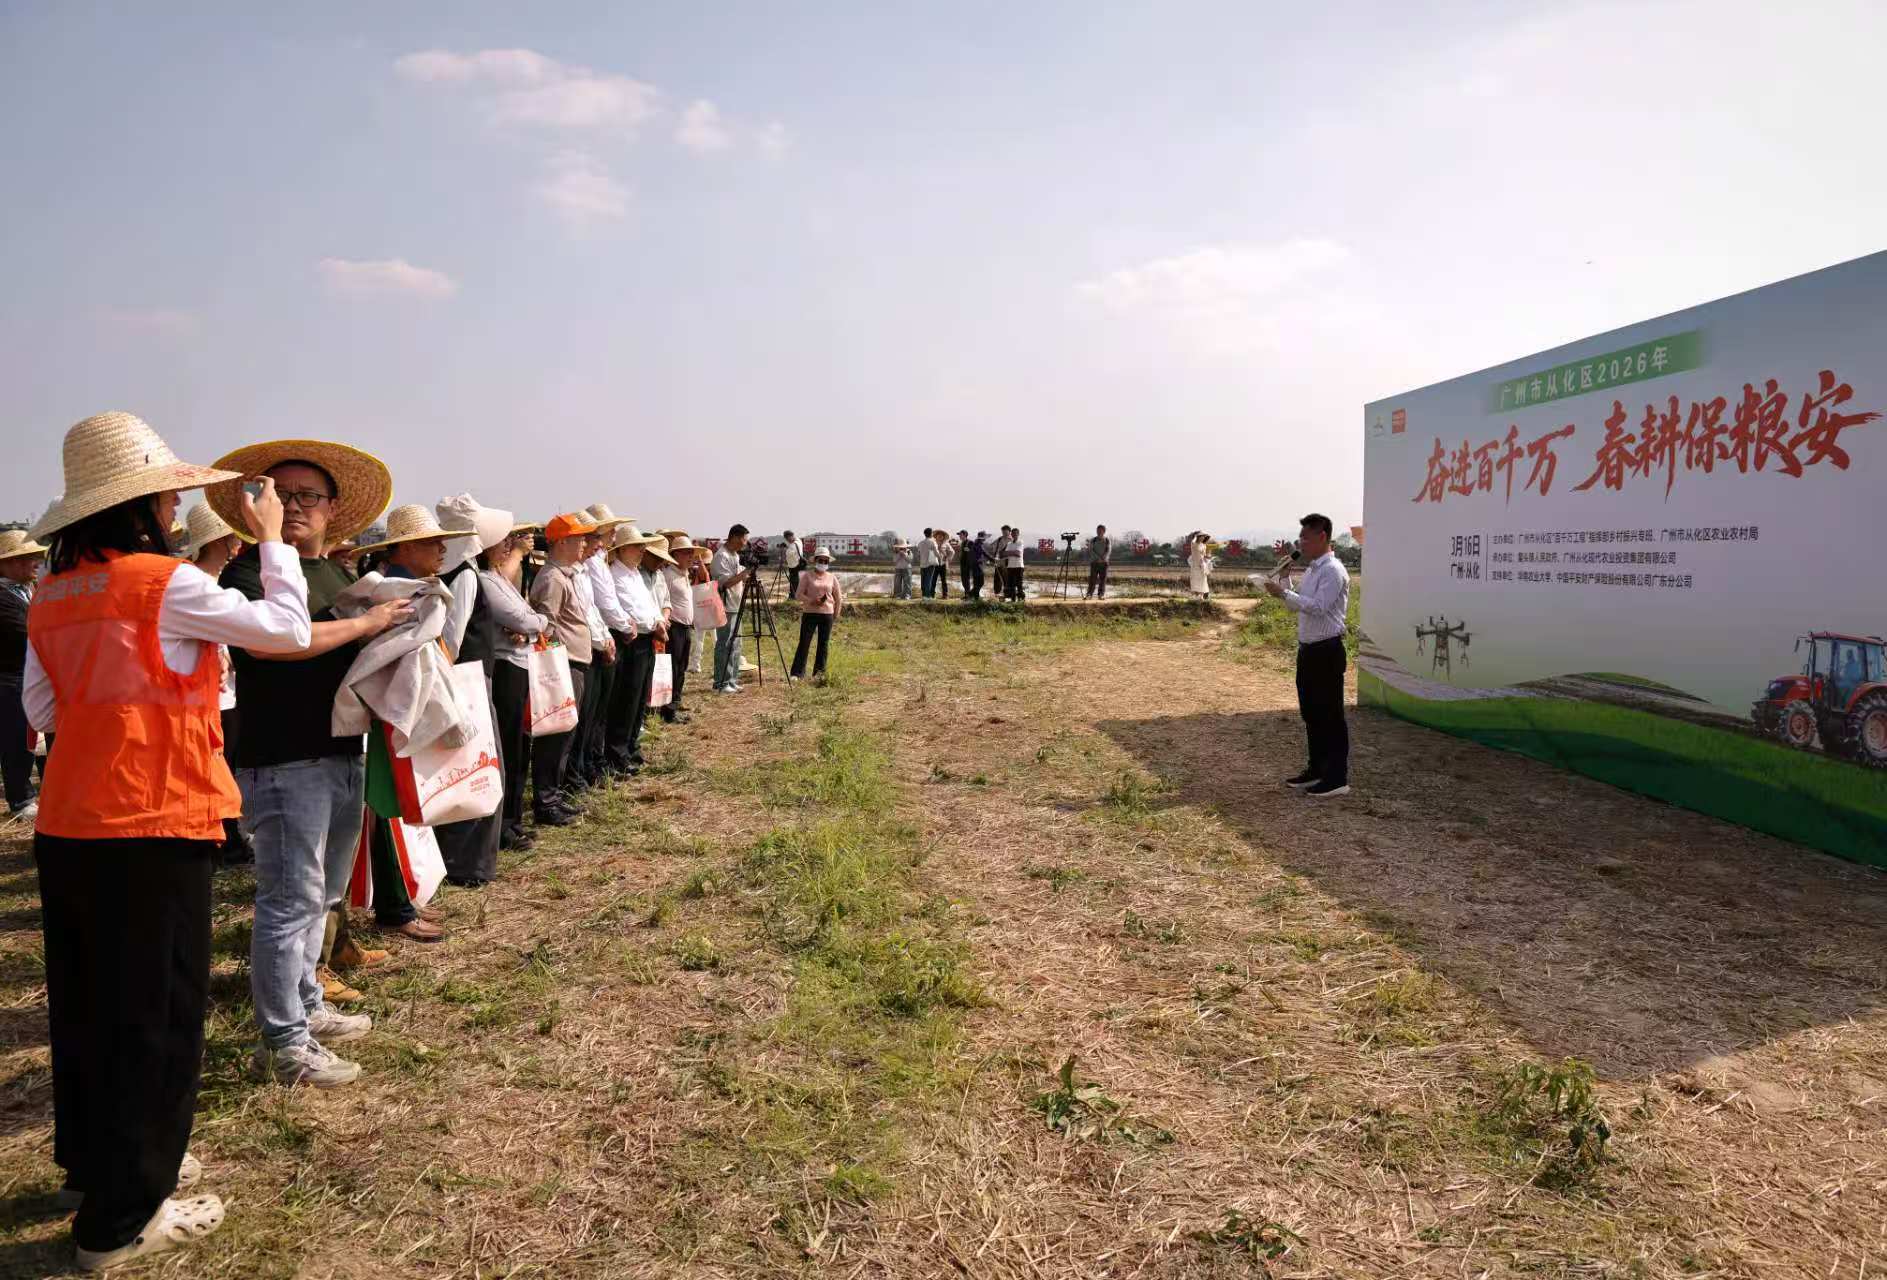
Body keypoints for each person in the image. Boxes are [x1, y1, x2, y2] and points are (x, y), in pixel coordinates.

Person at [22, 412, 314, 1269]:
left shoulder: (54, 592)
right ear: (143, 505)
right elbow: (288, 632)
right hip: (154, 819)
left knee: (90, 1007)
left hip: (70, 822)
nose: (176, 507)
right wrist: (273, 541)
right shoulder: (162, 583)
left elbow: (42, 709)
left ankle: (96, 1166)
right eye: (167, 496)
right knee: (157, 1016)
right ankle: (125, 1216)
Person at [204, 437, 403, 1089]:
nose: (292, 506)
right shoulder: (248, 573)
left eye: (306, 496)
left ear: (332, 508)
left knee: (322, 896)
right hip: (284, 759)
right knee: (289, 901)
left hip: (343, 753)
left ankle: (308, 1005)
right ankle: (283, 1042)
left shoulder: (341, 579)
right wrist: (367, 626)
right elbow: (273, 647)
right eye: (277, 493)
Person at [431, 494, 515, 885]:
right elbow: (451, 637)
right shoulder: (465, 575)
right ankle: (471, 864)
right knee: (483, 770)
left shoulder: (450, 571)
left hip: (462, 680)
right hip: (469, 682)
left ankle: (460, 859)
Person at [180, 503, 253, 864]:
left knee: (227, 766)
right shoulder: (192, 583)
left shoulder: (215, 580)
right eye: (232, 537)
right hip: (207, 697)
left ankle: (227, 835)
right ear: (217, 541)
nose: (237, 544)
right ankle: (223, 839)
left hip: (226, 693)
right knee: (215, 768)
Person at [1265, 514, 1352, 798]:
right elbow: (1298, 605)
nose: (1300, 543)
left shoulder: (1333, 570)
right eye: (1300, 537)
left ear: (1322, 536)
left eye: (1305, 537)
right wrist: (1285, 580)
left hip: (1327, 650)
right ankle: (1316, 769)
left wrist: (1283, 594)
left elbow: (1319, 607)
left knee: (1330, 716)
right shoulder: (1313, 569)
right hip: (1309, 651)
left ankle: (1336, 778)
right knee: (1311, 713)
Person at [479, 524, 546, 851]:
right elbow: (524, 618)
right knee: (508, 747)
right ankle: (505, 825)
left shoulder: (498, 579)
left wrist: (532, 626)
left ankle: (513, 820)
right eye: (502, 541)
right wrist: (536, 625)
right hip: (505, 669)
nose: (508, 546)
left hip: (517, 667)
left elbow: (526, 617)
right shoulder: (485, 580)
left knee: (520, 747)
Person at [528, 513, 598, 823]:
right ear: (562, 542)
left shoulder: (563, 575)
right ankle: (546, 802)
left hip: (573, 663)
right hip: (563, 665)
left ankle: (552, 796)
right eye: (579, 538)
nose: (584, 543)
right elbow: (547, 625)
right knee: (555, 736)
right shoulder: (553, 579)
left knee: (565, 735)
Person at [604, 524, 668, 775]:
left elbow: (649, 605)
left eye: (642, 546)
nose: (642, 550)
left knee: (639, 697)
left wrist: (658, 621)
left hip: (644, 638)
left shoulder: (633, 574)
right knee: (626, 698)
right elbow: (631, 609)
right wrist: (655, 624)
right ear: (621, 549)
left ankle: (631, 746)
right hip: (630, 641)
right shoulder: (616, 575)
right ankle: (618, 753)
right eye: (636, 546)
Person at [576, 505, 627, 788]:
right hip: (594, 644)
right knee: (591, 713)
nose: (611, 535)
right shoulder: (591, 565)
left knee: (598, 711)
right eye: (608, 531)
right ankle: (587, 766)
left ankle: (593, 762)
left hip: (603, 638)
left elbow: (596, 608)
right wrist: (613, 633)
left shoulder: (596, 563)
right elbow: (600, 606)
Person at [0, 529, 48, 822]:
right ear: (6, 564)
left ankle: (42, 791)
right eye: (25, 558)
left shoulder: (32, 589)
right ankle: (20, 798)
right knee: (17, 737)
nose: (33, 562)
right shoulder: (3, 598)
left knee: (37, 736)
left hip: (30, 672)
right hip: (11, 676)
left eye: (34, 556)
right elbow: (26, 631)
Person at [659, 535, 705, 724]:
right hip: (674, 628)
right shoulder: (668, 575)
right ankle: (668, 709)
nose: (690, 557)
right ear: (675, 554)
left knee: (681, 668)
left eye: (691, 553)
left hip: (685, 627)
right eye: (687, 553)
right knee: (673, 668)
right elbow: (662, 601)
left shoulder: (684, 574)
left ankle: (675, 703)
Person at [711, 525, 755, 693]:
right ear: (735, 537)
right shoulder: (721, 556)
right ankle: (721, 682)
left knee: (736, 643)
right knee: (725, 643)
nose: (745, 543)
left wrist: (747, 574)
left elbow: (738, 579)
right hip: (725, 605)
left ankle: (732, 679)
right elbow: (724, 583)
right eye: (744, 540)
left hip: (736, 605)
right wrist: (744, 574)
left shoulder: (735, 555)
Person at [791, 548, 844, 682]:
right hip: (810, 613)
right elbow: (798, 595)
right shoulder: (807, 576)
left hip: (827, 614)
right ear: (815, 560)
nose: (823, 563)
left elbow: (838, 597)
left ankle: (819, 673)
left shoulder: (832, 577)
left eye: (826, 561)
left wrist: (836, 613)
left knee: (823, 644)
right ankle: (797, 673)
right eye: (821, 560)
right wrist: (811, 600)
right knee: (804, 642)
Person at [1086, 525, 1112, 599]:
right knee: (1092, 579)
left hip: (1104, 563)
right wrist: (1098, 558)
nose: (1099, 532)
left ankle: (1101, 594)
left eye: (1100, 530)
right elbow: (1091, 550)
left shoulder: (1107, 540)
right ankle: (1089, 594)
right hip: (1094, 562)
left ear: (1104, 531)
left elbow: (1108, 550)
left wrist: (1103, 558)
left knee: (1103, 580)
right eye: (1098, 530)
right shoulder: (1093, 540)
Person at [1185, 532, 1213, 600]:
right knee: (1195, 580)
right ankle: (1196, 595)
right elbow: (1193, 541)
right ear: (1198, 537)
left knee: (1203, 580)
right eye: (1201, 536)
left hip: (1202, 565)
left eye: (1204, 537)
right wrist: (1195, 536)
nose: (1202, 538)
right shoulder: (1193, 544)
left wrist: (1208, 556)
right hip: (1195, 565)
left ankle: (1201, 596)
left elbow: (1204, 555)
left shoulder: (1204, 545)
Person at [962, 531, 988, 601]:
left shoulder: (978, 544)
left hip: (976, 566)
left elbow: (984, 554)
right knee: (980, 583)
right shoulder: (977, 545)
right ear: (982, 538)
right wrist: (982, 560)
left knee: (977, 583)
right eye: (984, 538)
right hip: (977, 566)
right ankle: (972, 595)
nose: (985, 539)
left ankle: (974, 597)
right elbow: (981, 555)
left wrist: (993, 560)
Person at [1003, 526, 1026, 601]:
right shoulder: (1009, 543)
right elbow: (1004, 554)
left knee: (1019, 584)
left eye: (1015, 533)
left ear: (1018, 534)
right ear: (1011, 534)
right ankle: (1013, 600)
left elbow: (1018, 553)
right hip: (1010, 566)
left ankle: (1021, 599)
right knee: (1011, 584)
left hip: (1019, 566)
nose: (1014, 535)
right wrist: (1013, 552)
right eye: (1013, 533)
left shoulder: (1020, 542)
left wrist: (1009, 553)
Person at [932, 528, 956, 598]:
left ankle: (945, 595)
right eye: (938, 535)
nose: (940, 536)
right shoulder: (933, 543)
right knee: (933, 580)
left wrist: (948, 558)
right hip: (935, 564)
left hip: (943, 564)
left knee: (944, 580)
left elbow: (952, 552)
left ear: (943, 536)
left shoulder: (946, 544)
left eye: (941, 535)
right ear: (936, 536)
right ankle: (932, 594)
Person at [916, 527, 939, 598]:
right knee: (928, 580)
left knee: (923, 580)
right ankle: (928, 596)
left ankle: (924, 596)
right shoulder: (932, 542)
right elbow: (936, 553)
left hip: (922, 564)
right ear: (931, 534)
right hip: (930, 563)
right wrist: (940, 557)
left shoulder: (920, 543)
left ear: (924, 534)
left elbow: (918, 555)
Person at [781, 529, 804, 598]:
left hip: (794, 566)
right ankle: (794, 595)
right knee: (795, 582)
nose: (788, 541)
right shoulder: (798, 541)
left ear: (790, 536)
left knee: (794, 582)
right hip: (798, 564)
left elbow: (788, 554)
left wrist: (784, 550)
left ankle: (793, 596)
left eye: (788, 539)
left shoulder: (793, 545)